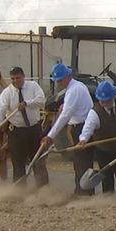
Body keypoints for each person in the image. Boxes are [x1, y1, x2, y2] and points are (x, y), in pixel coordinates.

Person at [42, 62, 94, 196]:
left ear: (67, 77)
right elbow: (68, 109)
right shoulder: (76, 87)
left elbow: (65, 115)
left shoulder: (74, 90)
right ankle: (81, 190)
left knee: (82, 162)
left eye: (60, 80)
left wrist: (50, 135)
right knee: (79, 162)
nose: (58, 83)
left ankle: (84, 192)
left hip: (82, 128)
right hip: (78, 126)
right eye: (56, 81)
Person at [79, 81, 116, 196]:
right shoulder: (94, 113)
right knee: (107, 179)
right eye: (101, 100)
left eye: (106, 100)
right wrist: (83, 140)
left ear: (112, 97)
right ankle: (108, 202)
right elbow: (88, 128)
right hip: (104, 151)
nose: (103, 102)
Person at [0, 66, 48, 187]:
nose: (15, 81)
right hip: (17, 132)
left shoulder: (33, 86)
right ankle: (20, 190)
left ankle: (43, 188)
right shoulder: (7, 92)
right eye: (12, 78)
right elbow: (0, 108)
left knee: (38, 160)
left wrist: (27, 103)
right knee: (18, 163)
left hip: (34, 129)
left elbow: (41, 101)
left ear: (23, 76)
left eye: (17, 78)